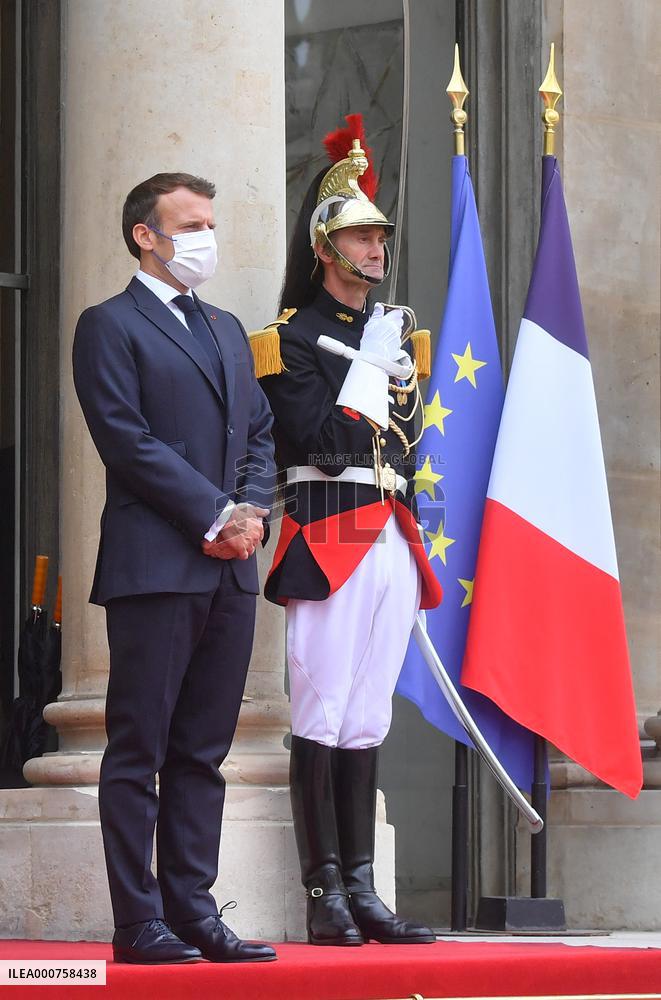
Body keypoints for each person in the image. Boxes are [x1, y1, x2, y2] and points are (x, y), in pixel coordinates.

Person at [73, 172, 277, 965]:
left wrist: (252, 512)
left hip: (229, 571)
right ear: (144, 236)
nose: (206, 238)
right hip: (157, 565)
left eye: (209, 223)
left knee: (204, 750)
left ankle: (194, 909)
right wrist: (215, 514)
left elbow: (259, 432)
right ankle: (139, 920)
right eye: (189, 224)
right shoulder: (109, 325)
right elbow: (126, 442)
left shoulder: (225, 328)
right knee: (140, 747)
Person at [255, 116, 442, 947]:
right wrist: (367, 361)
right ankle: (321, 889)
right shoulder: (289, 340)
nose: (376, 248)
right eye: (361, 236)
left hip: (391, 529)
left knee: (367, 715)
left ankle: (363, 888)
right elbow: (323, 443)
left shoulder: (393, 337)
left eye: (379, 235)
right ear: (325, 247)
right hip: (328, 530)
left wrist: (383, 356)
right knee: (321, 708)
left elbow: (403, 446)